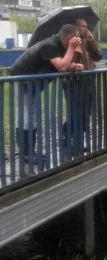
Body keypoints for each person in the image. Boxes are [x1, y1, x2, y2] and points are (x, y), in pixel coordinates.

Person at [10, 24, 83, 165]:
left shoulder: (59, 46)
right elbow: (61, 67)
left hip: (32, 83)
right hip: (22, 81)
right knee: (27, 116)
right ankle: (26, 154)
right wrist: (72, 48)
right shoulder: (49, 46)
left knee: (33, 117)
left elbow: (63, 64)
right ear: (69, 38)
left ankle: (31, 153)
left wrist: (73, 66)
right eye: (77, 38)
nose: (79, 40)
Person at [66, 18, 102, 155]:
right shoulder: (71, 43)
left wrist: (92, 41)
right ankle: (72, 143)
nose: (86, 29)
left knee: (86, 113)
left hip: (88, 82)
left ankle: (79, 143)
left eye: (87, 26)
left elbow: (99, 56)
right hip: (75, 83)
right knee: (75, 114)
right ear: (75, 28)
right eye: (83, 27)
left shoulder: (87, 42)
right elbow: (67, 64)